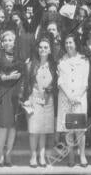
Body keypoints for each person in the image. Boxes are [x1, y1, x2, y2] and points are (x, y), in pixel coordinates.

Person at [21, 36, 57, 168]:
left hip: (48, 100)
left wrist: (51, 88)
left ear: (50, 50)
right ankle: (33, 156)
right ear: (37, 49)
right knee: (34, 130)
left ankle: (42, 156)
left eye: (46, 47)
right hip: (34, 99)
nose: (43, 49)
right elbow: (25, 85)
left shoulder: (53, 65)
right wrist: (26, 100)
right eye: (41, 47)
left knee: (44, 130)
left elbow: (57, 83)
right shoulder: (30, 64)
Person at [56, 34, 90, 167]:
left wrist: (77, 97)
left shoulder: (84, 60)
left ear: (76, 44)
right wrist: (69, 96)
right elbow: (60, 81)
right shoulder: (61, 61)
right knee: (69, 129)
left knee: (80, 129)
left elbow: (85, 82)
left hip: (79, 98)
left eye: (71, 42)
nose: (68, 45)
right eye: (66, 43)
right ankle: (71, 156)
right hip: (65, 98)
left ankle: (82, 155)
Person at [0, 30, 23, 167]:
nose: (8, 42)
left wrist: (22, 93)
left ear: (14, 41)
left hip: (15, 93)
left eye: (10, 40)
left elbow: (24, 75)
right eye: (5, 40)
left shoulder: (19, 56)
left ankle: (8, 154)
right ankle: (0, 154)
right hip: (2, 92)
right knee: (4, 125)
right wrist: (9, 77)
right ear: (2, 42)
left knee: (13, 126)